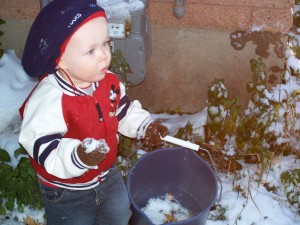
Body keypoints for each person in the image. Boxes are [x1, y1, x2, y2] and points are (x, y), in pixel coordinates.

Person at [18, 1, 168, 225]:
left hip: (107, 175)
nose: (103, 56)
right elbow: (42, 144)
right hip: (67, 190)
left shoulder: (108, 82)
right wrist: (78, 156)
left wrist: (144, 126)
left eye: (105, 44)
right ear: (61, 61)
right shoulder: (50, 98)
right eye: (91, 51)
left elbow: (122, 111)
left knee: (118, 215)